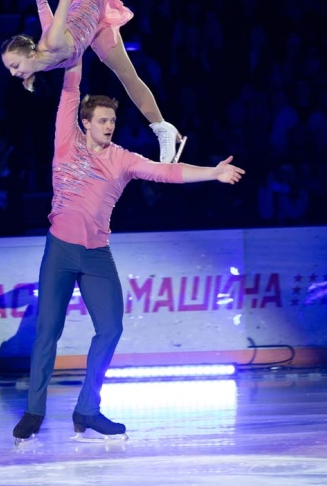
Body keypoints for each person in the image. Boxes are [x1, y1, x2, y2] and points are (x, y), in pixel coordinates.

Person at [12, 59, 244, 443]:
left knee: (111, 328)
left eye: (112, 121)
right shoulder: (66, 141)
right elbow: (71, 89)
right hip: (60, 251)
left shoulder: (123, 159)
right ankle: (34, 412)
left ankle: (87, 409)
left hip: (97, 255)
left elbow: (166, 171)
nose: (108, 125)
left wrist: (212, 172)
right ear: (85, 122)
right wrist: (77, 47)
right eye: (102, 120)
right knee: (46, 333)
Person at [1, 0, 186, 163]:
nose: (13, 72)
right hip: (95, 31)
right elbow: (45, 16)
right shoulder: (44, 61)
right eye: (10, 69)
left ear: (28, 54)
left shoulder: (53, 42)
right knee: (129, 77)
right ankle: (164, 129)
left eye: (14, 65)